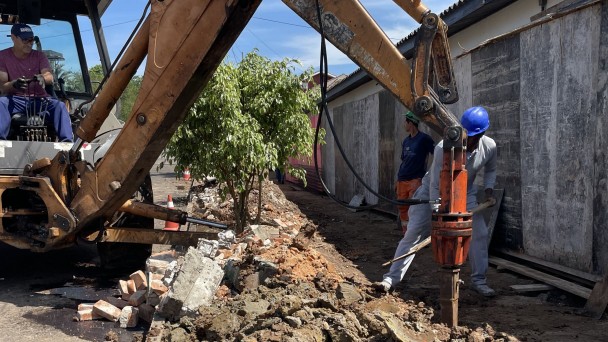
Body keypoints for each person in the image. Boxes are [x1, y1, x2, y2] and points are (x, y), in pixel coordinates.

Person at [377, 106, 497, 297]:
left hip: (465, 194)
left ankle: (479, 281)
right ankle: (390, 279)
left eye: (474, 136)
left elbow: (491, 170)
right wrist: (436, 211)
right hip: (431, 194)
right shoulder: (444, 147)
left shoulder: (489, 146)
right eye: (467, 134)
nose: (469, 139)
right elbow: (435, 184)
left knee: (480, 233)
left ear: (482, 133)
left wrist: (489, 189)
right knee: (413, 234)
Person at [0, 23, 73, 142]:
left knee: (59, 106)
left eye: (31, 39)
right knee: (1, 103)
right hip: (15, 100)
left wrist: (43, 78)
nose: (29, 43)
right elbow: (3, 88)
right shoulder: (2, 56)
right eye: (25, 39)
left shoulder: (39, 56)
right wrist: (14, 84)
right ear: (13, 38)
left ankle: (67, 145)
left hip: (40, 101)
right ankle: (1, 144)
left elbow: (49, 76)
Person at [396, 111, 434, 234]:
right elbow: (404, 160)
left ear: (411, 123)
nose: (404, 125)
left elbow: (436, 154)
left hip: (415, 179)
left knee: (414, 208)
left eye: (405, 122)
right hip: (402, 179)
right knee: (402, 208)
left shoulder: (424, 139)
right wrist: (397, 180)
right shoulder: (406, 141)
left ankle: (415, 234)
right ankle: (405, 233)